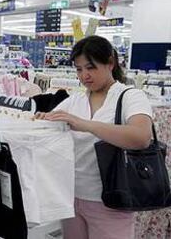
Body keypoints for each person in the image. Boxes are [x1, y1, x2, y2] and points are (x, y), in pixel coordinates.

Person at [35, 35, 153, 239]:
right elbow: (46, 126)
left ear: (110, 63)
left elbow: (141, 137)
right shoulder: (75, 101)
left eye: (91, 67)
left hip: (112, 201)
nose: (84, 76)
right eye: (79, 69)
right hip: (71, 198)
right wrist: (39, 120)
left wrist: (85, 125)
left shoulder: (130, 96)